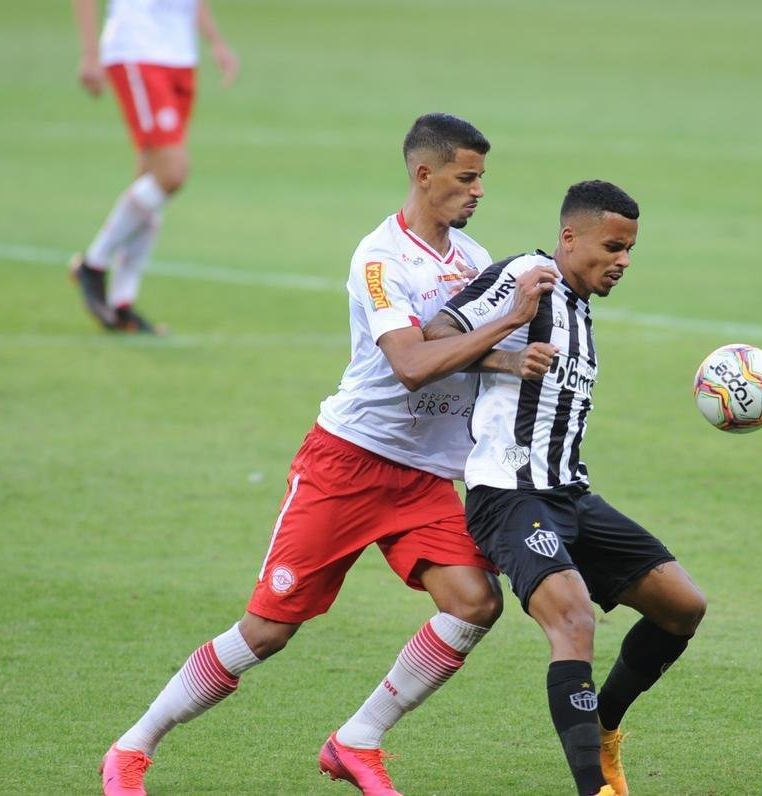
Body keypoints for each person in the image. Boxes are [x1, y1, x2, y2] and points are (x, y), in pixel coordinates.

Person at [99, 113, 560, 796]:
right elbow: (411, 364)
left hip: (424, 477)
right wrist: (510, 323)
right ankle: (133, 747)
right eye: (467, 178)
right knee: (265, 633)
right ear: (423, 174)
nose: (478, 191)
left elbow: (456, 350)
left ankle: (357, 741)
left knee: (473, 602)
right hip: (348, 464)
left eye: (482, 178)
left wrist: (508, 359)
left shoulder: (471, 257)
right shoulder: (380, 259)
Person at [425, 180, 708, 796]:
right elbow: (433, 340)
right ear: (570, 237)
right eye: (612, 247)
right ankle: (593, 789)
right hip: (509, 495)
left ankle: (603, 728)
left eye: (630, 249)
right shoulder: (527, 277)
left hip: (570, 494)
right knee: (574, 619)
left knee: (682, 607)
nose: (623, 261)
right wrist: (505, 351)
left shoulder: (579, 309)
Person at [69, 0, 239, 333]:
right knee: (171, 173)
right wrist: (89, 53)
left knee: (149, 182)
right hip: (137, 48)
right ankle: (93, 264)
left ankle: (121, 304)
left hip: (180, 55)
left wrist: (216, 41)